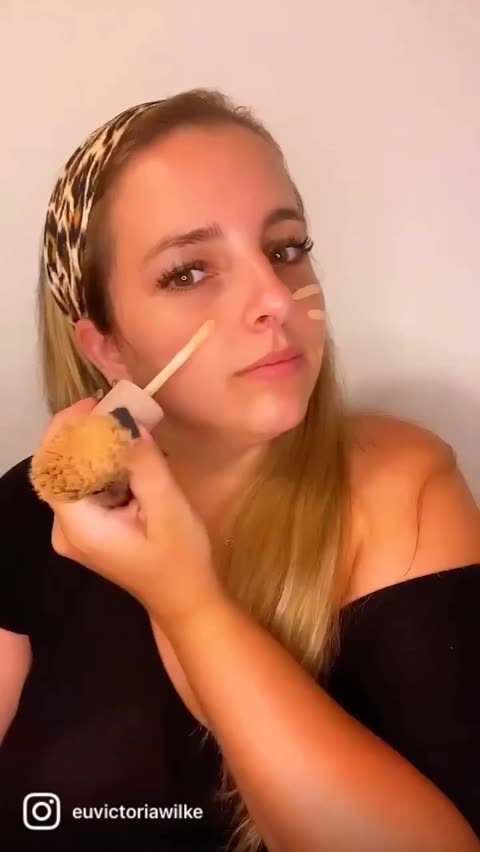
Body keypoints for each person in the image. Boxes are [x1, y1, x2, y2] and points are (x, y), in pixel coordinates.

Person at [0, 89, 479, 852]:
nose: (275, 300)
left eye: (285, 249)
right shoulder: (37, 504)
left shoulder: (401, 487)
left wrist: (188, 604)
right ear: (107, 348)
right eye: (189, 272)